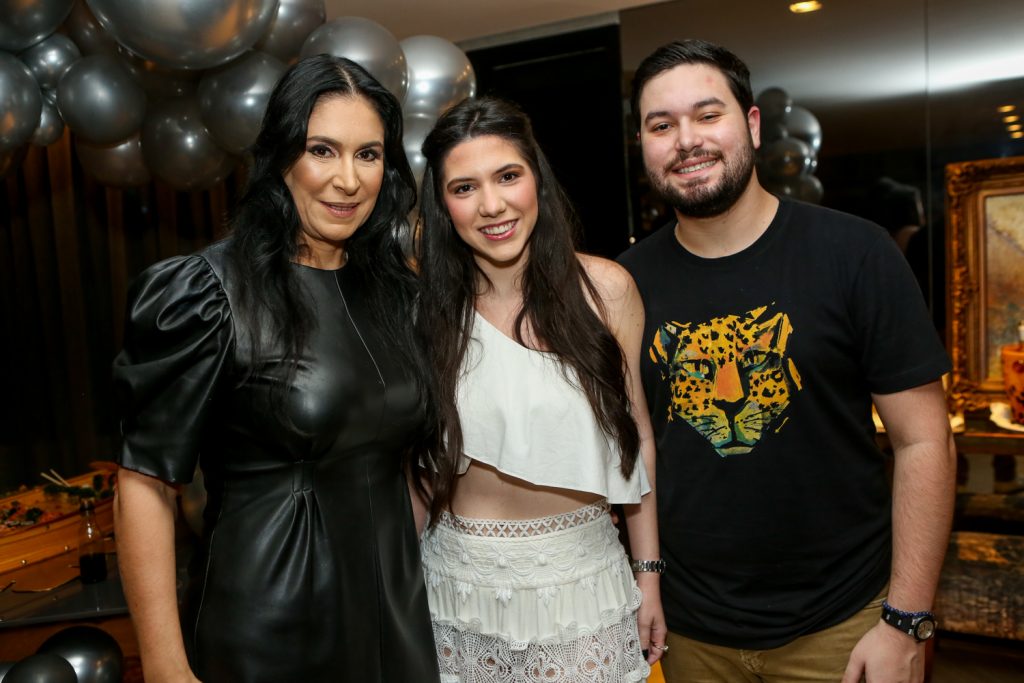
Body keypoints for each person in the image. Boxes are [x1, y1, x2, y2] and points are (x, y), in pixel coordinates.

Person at [618, 39, 956, 683]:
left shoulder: (856, 253)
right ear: (643, 143)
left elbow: (924, 442)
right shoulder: (623, 284)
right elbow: (637, 452)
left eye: (706, 114)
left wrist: (908, 618)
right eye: (661, 125)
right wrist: (649, 584)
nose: (686, 140)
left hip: (844, 625)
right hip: (689, 634)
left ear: (750, 124)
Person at [112, 55, 439, 683]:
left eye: (368, 155)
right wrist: (163, 664)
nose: (348, 180)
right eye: (323, 150)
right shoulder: (207, 292)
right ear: (280, 156)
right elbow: (145, 485)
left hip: (391, 621)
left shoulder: (396, 294)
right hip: (266, 630)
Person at [414, 96, 667, 682]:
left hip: (584, 587)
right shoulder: (425, 313)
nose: (492, 205)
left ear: (538, 181)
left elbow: (639, 443)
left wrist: (647, 576)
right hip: (458, 592)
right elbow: (419, 472)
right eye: (464, 187)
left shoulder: (606, 290)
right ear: (442, 204)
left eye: (508, 176)